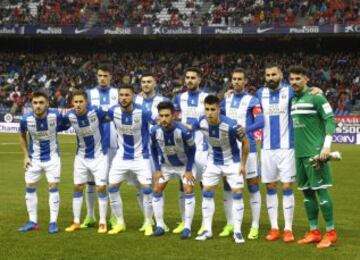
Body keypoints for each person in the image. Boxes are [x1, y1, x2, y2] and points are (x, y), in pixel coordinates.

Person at [289, 65, 337, 249]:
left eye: (298, 78)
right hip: (300, 154)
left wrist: (326, 147)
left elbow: (330, 119)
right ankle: (314, 231)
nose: (294, 82)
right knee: (307, 193)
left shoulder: (317, 97)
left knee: (321, 190)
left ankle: (331, 232)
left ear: (306, 79)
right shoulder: (294, 99)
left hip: (315, 153)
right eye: (292, 79)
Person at [194, 95, 249, 244]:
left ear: (219, 110)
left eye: (213, 109)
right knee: (207, 193)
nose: (209, 113)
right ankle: (207, 230)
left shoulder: (232, 126)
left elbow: (245, 142)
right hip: (213, 162)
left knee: (237, 194)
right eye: (207, 109)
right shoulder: (201, 121)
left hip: (232, 162)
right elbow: (188, 128)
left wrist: (243, 164)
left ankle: (237, 231)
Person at [220, 68, 264, 239]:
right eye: (234, 78)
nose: (236, 81)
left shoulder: (252, 100)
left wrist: (246, 129)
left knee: (253, 186)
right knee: (228, 187)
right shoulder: (226, 100)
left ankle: (255, 225)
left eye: (240, 79)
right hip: (229, 151)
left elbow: (261, 121)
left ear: (245, 81)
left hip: (249, 149)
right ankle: (230, 223)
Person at [256, 63, 297, 242]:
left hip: (287, 148)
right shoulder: (260, 93)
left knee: (287, 186)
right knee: (270, 186)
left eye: (274, 75)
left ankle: (288, 229)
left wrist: (315, 89)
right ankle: (274, 228)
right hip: (266, 149)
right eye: (267, 75)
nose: (270, 78)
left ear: (281, 75)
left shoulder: (290, 91)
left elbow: (305, 92)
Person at [106, 85, 154, 236]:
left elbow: (157, 123)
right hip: (121, 157)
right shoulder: (114, 111)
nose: (124, 98)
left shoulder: (143, 112)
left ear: (133, 96)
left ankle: (148, 222)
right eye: (121, 95)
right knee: (112, 188)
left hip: (140, 157)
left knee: (146, 189)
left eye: (127, 95)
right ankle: (120, 222)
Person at [62, 90, 109, 234]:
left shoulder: (95, 112)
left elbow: (111, 116)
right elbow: (59, 125)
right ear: (72, 103)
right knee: (77, 187)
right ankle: (76, 221)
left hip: (99, 156)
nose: (78, 105)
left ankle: (102, 222)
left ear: (86, 102)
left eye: (81, 101)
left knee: (100, 188)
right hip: (81, 156)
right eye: (75, 102)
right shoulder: (70, 116)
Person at [18, 91, 63, 234]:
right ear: (31, 104)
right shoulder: (26, 119)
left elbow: (69, 123)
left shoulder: (56, 116)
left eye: (41, 103)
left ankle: (53, 222)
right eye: (35, 103)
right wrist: (25, 156)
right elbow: (21, 135)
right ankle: (32, 222)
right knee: (30, 186)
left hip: (52, 158)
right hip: (34, 159)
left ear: (47, 103)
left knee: (53, 186)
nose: (38, 106)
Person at [150, 101, 196, 239]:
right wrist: (157, 169)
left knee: (188, 189)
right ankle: (160, 226)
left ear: (174, 116)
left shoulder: (183, 131)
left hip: (185, 165)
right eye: (161, 116)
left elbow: (193, 150)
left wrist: (188, 170)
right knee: (157, 189)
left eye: (167, 115)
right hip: (166, 166)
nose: (163, 119)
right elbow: (152, 149)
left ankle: (187, 227)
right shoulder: (154, 131)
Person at [172, 67, 208, 234]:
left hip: (203, 148)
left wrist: (193, 126)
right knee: (184, 185)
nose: (190, 80)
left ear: (199, 80)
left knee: (205, 186)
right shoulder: (180, 98)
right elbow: (172, 115)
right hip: (185, 149)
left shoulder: (206, 97)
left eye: (193, 77)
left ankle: (205, 223)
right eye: (187, 77)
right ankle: (184, 221)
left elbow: (211, 114)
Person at [83, 63, 118, 229]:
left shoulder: (118, 94)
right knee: (90, 181)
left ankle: (113, 217)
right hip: (94, 144)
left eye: (106, 75)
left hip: (114, 143)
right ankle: (90, 216)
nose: (103, 78)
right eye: (100, 76)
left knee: (111, 182)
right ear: (96, 77)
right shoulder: (89, 94)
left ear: (111, 77)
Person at [135, 72, 169, 232]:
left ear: (155, 83)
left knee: (158, 185)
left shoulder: (162, 101)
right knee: (141, 186)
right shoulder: (136, 100)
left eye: (149, 81)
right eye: (143, 82)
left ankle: (160, 220)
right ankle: (146, 219)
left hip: (158, 148)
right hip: (140, 149)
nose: (146, 84)